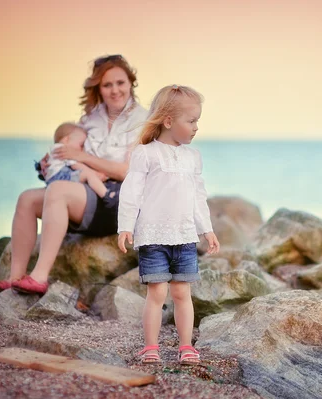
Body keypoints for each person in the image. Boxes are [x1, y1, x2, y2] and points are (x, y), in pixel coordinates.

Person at [0, 54, 148, 295]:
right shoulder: (90, 119)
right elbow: (72, 156)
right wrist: (53, 162)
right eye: (107, 85)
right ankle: (15, 278)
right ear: (98, 89)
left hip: (118, 201)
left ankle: (39, 277)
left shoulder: (143, 120)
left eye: (120, 83)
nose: (115, 90)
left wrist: (84, 159)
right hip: (85, 193)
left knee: (58, 192)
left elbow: (128, 171)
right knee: (27, 199)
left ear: (131, 83)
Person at [117, 84, 220, 365]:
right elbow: (131, 192)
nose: (196, 127)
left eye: (197, 120)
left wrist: (206, 229)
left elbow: (198, 197)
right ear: (168, 121)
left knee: (181, 292)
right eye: (192, 121)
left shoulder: (192, 157)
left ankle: (186, 346)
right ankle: (151, 347)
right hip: (153, 236)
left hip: (184, 237)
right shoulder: (146, 154)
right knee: (157, 293)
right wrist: (125, 226)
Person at [44, 123, 108, 199]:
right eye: (81, 145)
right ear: (66, 140)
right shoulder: (64, 150)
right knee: (88, 175)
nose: (82, 149)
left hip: (51, 181)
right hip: (60, 177)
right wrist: (95, 173)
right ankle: (107, 195)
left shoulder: (55, 149)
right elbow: (76, 165)